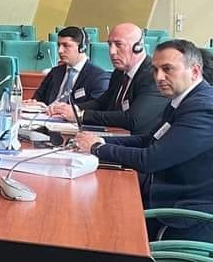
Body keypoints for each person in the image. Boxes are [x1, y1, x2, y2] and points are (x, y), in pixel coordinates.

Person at [76, 39, 213, 243]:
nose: (159, 77)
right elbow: (149, 139)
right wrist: (100, 140)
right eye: (155, 70)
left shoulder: (203, 109)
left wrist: (97, 148)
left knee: (100, 227)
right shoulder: (182, 100)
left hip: (183, 216)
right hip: (163, 198)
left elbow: (151, 159)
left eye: (167, 69)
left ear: (194, 71)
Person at [47, 23, 167, 134]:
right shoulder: (119, 73)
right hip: (116, 135)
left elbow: (133, 119)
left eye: (118, 45)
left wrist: (80, 115)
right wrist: (72, 109)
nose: (112, 51)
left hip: (140, 142)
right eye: (110, 45)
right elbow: (102, 102)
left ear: (138, 47)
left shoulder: (153, 76)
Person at [25, 26, 110, 109]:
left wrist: (68, 110)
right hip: (46, 116)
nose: (60, 50)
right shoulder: (55, 72)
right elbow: (38, 98)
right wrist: (34, 103)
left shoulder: (98, 77)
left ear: (82, 48)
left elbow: (96, 108)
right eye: (59, 45)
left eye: (66, 45)